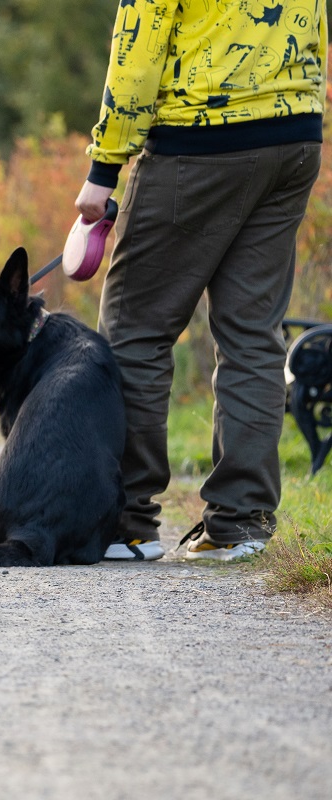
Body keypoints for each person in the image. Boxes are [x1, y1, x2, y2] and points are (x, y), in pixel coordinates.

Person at [76, 0, 326, 562]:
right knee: (253, 334)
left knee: (134, 331)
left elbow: (137, 53)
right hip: (294, 136)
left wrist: (103, 167)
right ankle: (240, 524)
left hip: (200, 139)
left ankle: (126, 524)